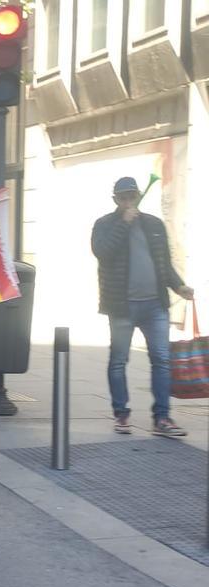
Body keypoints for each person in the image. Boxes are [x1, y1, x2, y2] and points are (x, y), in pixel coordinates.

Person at [91, 176, 195, 437]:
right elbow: (102, 252)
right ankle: (121, 415)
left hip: (155, 306)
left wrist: (179, 286)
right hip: (122, 307)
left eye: (131, 196)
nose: (128, 201)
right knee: (118, 361)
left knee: (161, 360)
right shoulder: (104, 224)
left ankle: (162, 418)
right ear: (115, 200)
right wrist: (123, 225)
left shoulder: (154, 225)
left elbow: (163, 265)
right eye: (123, 197)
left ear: (137, 196)